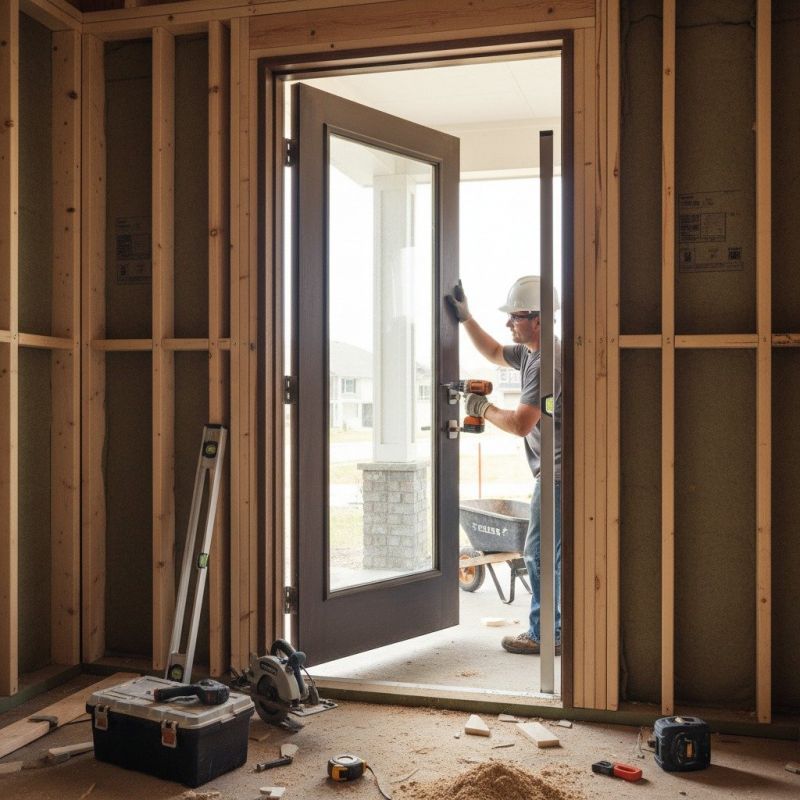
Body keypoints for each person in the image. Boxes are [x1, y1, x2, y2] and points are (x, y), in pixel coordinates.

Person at [446, 276, 562, 655]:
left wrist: (484, 408)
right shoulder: (530, 352)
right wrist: (466, 318)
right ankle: (557, 628)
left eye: (516, 317)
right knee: (553, 554)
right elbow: (494, 351)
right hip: (558, 472)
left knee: (538, 554)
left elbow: (520, 424)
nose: (509, 323)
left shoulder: (546, 364)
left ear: (538, 320)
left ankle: (545, 634)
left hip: (558, 474)